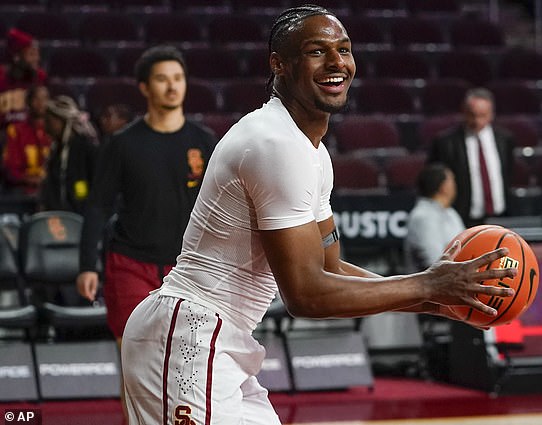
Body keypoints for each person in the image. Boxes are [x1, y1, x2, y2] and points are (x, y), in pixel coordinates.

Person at [120, 6, 516, 424]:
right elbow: (307, 295)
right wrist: (426, 283)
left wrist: (434, 300)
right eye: (317, 51)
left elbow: (331, 268)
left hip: (223, 338)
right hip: (189, 333)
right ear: (279, 64)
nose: (336, 63)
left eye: (344, 49)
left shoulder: (312, 152)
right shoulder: (273, 143)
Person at [76, 45, 217, 346]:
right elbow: (98, 206)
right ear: (145, 87)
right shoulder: (121, 144)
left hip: (187, 267)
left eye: (178, 78)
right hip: (130, 263)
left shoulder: (204, 141)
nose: (172, 86)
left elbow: (221, 207)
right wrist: (88, 265)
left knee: (184, 361)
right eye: (162, 79)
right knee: (132, 356)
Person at [428, 88, 515, 227]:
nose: (477, 121)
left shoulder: (505, 139)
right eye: (472, 115)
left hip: (500, 217)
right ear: (464, 112)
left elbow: (509, 172)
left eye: (482, 115)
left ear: (492, 114)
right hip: (463, 218)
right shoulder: (446, 142)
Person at [39, 95, 99, 214]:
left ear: (61, 121)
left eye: (49, 121)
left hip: (81, 214)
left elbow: (89, 184)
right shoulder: (56, 150)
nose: (46, 127)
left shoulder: (85, 148)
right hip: (57, 215)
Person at [404, 163, 465, 272]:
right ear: (443, 186)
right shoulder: (423, 217)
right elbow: (436, 263)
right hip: (430, 286)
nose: (455, 185)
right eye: (452, 180)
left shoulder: (451, 213)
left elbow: (467, 246)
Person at [2, 84, 51, 195]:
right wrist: (29, 180)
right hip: (21, 192)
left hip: (51, 190)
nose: (41, 103)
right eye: (36, 98)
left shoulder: (55, 132)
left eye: (45, 99)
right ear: (28, 102)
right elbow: (10, 170)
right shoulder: (16, 130)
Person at [0, 28, 48, 127]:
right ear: (17, 56)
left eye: (37, 54)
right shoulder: (1, 76)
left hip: (30, 136)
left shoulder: (40, 77)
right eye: (31, 54)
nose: (37, 58)